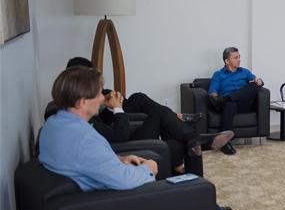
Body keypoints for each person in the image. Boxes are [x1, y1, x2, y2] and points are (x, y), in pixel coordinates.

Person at [39, 66, 285, 210]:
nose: (102, 98)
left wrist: (119, 159)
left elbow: (87, 162)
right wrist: (147, 168)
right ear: (82, 102)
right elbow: (123, 180)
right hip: (118, 203)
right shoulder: (82, 138)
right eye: (97, 94)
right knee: (194, 189)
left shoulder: (56, 125)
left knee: (187, 177)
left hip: (100, 193)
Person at [59, 57, 233, 174]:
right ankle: (193, 140)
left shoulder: (71, 116)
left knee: (141, 100)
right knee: (180, 140)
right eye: (96, 91)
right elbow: (119, 136)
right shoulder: (83, 127)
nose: (101, 96)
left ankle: (192, 141)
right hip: (126, 145)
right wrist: (117, 108)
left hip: (122, 138)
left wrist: (114, 105)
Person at [208, 47, 265, 155]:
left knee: (254, 86)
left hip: (244, 104)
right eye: (235, 58)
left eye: (239, 57)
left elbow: (258, 82)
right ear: (227, 61)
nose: (239, 60)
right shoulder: (218, 75)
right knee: (230, 104)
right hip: (230, 106)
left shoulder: (245, 72)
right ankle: (225, 143)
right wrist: (215, 98)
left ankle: (227, 98)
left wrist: (259, 81)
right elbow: (212, 92)